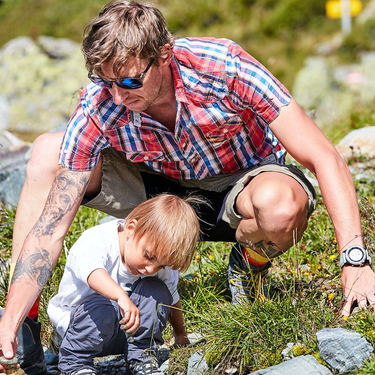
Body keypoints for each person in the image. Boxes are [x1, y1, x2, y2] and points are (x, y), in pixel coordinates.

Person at [1, 0, 375, 373]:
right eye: (106, 82)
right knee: (49, 151)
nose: (117, 96)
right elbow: (50, 230)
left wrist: (354, 259)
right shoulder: (101, 103)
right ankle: (24, 324)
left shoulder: (225, 66)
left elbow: (323, 156)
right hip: (155, 196)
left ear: (164, 53)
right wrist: (11, 318)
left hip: (238, 187)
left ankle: (248, 262)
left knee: (282, 206)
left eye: (130, 81)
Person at [47, 193, 200, 375]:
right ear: (131, 228)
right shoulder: (97, 240)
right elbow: (92, 272)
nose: (150, 269)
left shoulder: (158, 259)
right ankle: (75, 362)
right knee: (104, 306)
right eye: (148, 256)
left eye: (161, 264)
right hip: (79, 330)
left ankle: (141, 356)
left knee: (158, 291)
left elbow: (172, 300)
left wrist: (181, 334)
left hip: (124, 333)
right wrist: (121, 296)